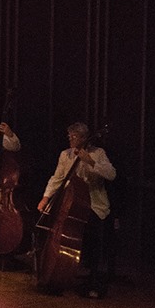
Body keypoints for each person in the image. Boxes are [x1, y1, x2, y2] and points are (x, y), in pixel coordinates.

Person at [38, 122, 117, 295]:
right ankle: (63, 272)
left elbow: (111, 174)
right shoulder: (65, 154)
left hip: (95, 204)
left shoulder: (98, 153)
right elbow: (57, 178)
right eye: (69, 136)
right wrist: (46, 197)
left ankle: (94, 283)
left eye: (74, 137)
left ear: (84, 138)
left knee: (94, 243)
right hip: (72, 204)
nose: (70, 139)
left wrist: (90, 161)